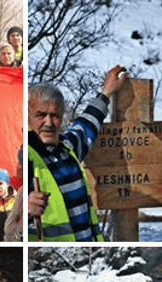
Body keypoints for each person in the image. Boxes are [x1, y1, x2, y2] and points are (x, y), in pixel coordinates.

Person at [27, 64, 127, 241]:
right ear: (26, 117)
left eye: (55, 115)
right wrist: (24, 208)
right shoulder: (24, 158)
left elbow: (86, 124)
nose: (49, 123)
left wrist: (106, 93)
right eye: (40, 115)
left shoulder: (68, 148)